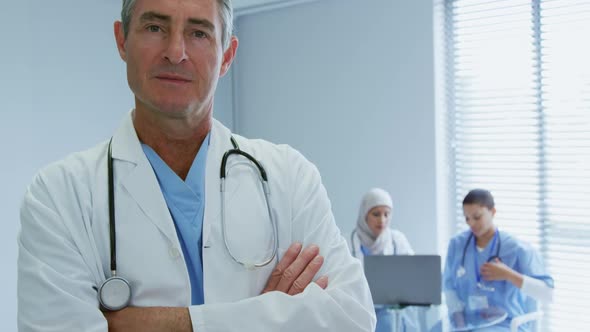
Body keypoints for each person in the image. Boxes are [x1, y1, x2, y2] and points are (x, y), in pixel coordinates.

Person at [17, 0, 376, 331]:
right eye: (155, 28)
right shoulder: (59, 195)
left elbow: (352, 316)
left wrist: (152, 323)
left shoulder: (290, 177)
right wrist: (268, 314)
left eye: (199, 33)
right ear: (122, 40)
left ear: (227, 55)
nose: (176, 52)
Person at [442, 189, 554, 331]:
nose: (471, 223)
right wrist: (459, 323)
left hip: (504, 324)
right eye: (467, 218)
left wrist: (508, 274)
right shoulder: (457, 245)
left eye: (477, 217)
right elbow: (449, 287)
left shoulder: (516, 249)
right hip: (464, 323)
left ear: (493, 212)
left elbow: (547, 293)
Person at [351, 188, 417, 332]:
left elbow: (413, 278)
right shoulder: (348, 242)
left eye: (386, 214)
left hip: (395, 322)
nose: (382, 220)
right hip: (360, 318)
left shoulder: (397, 240)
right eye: (376, 214)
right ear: (364, 215)